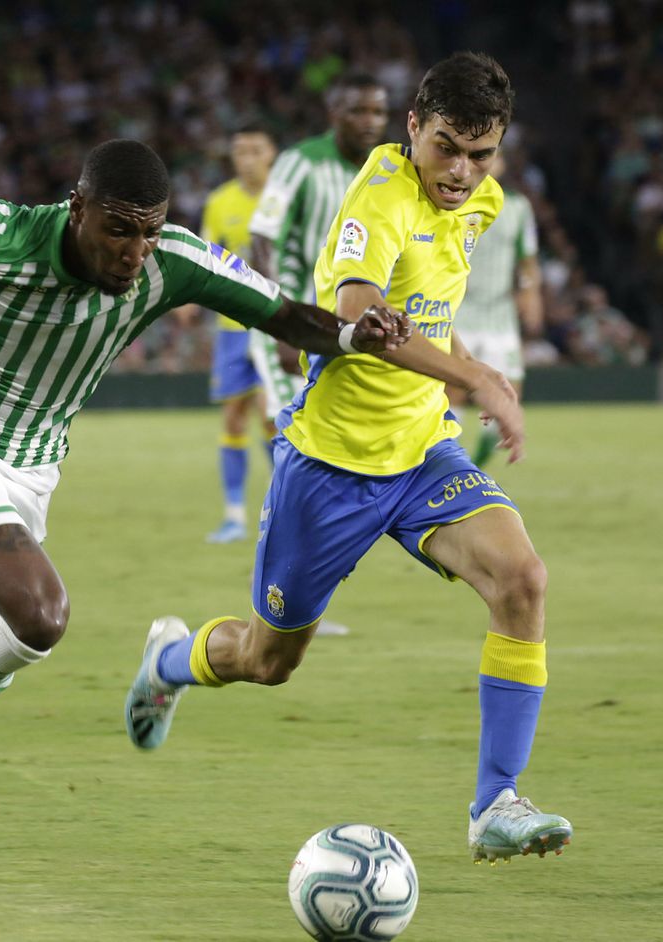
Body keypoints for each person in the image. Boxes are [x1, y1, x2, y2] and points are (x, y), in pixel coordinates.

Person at [0, 138, 416, 893]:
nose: (135, 252)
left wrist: (355, 335)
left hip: (28, 468)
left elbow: (285, 315)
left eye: (149, 232)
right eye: (119, 229)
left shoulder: (172, 262)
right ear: (78, 209)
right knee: (40, 613)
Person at [123, 52, 574, 867]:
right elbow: (361, 310)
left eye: (483, 154)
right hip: (331, 466)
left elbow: (429, 314)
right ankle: (167, 661)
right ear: (413, 127)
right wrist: (476, 376)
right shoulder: (379, 197)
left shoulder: (484, 202)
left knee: (524, 579)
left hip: (423, 453)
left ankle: (495, 802)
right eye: (447, 148)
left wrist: (466, 373)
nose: (464, 172)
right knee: (267, 661)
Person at [246, 72, 389, 425]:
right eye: (359, 111)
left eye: (378, 112)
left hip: (346, 318)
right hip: (293, 309)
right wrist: (278, 321)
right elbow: (263, 237)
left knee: (341, 428)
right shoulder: (300, 162)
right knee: (291, 422)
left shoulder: (386, 171)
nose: (370, 121)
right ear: (334, 113)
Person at [200, 124, 278, 543]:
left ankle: (282, 508)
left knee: (271, 416)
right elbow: (209, 256)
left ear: (271, 154)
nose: (245, 157)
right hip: (233, 326)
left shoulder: (284, 200)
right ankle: (234, 516)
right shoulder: (219, 202)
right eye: (239, 150)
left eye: (254, 149)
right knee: (233, 416)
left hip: (275, 324)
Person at [449, 148, 543, 466]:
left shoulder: (518, 206)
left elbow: (527, 258)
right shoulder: (453, 197)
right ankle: (447, 457)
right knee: (453, 387)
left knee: (508, 391)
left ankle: (478, 461)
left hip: (500, 312)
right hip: (460, 309)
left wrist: (531, 294)